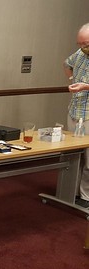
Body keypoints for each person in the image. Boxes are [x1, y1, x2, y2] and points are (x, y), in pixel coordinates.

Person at [64, 23, 89, 208]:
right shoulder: (79, 54)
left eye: (86, 44)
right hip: (74, 110)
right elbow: (66, 63)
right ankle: (68, 192)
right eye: (79, 44)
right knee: (72, 155)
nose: (82, 48)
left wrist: (85, 86)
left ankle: (85, 197)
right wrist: (72, 79)